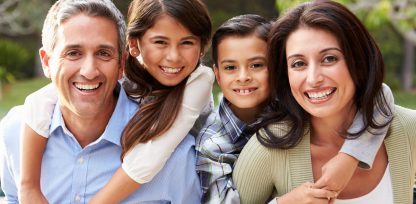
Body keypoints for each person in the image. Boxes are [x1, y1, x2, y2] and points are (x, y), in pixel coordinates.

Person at [0, 0, 207, 203]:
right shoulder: (14, 133)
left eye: (103, 53)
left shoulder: (176, 155)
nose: (89, 71)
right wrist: (28, 187)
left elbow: (148, 160)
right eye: (73, 53)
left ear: (121, 64)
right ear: (47, 62)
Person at [197, 12, 395, 204]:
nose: (243, 77)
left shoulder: (296, 101)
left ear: (278, 67)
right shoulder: (214, 144)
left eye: (257, 65)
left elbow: (379, 94)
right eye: (230, 68)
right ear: (218, 74)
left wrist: (349, 157)